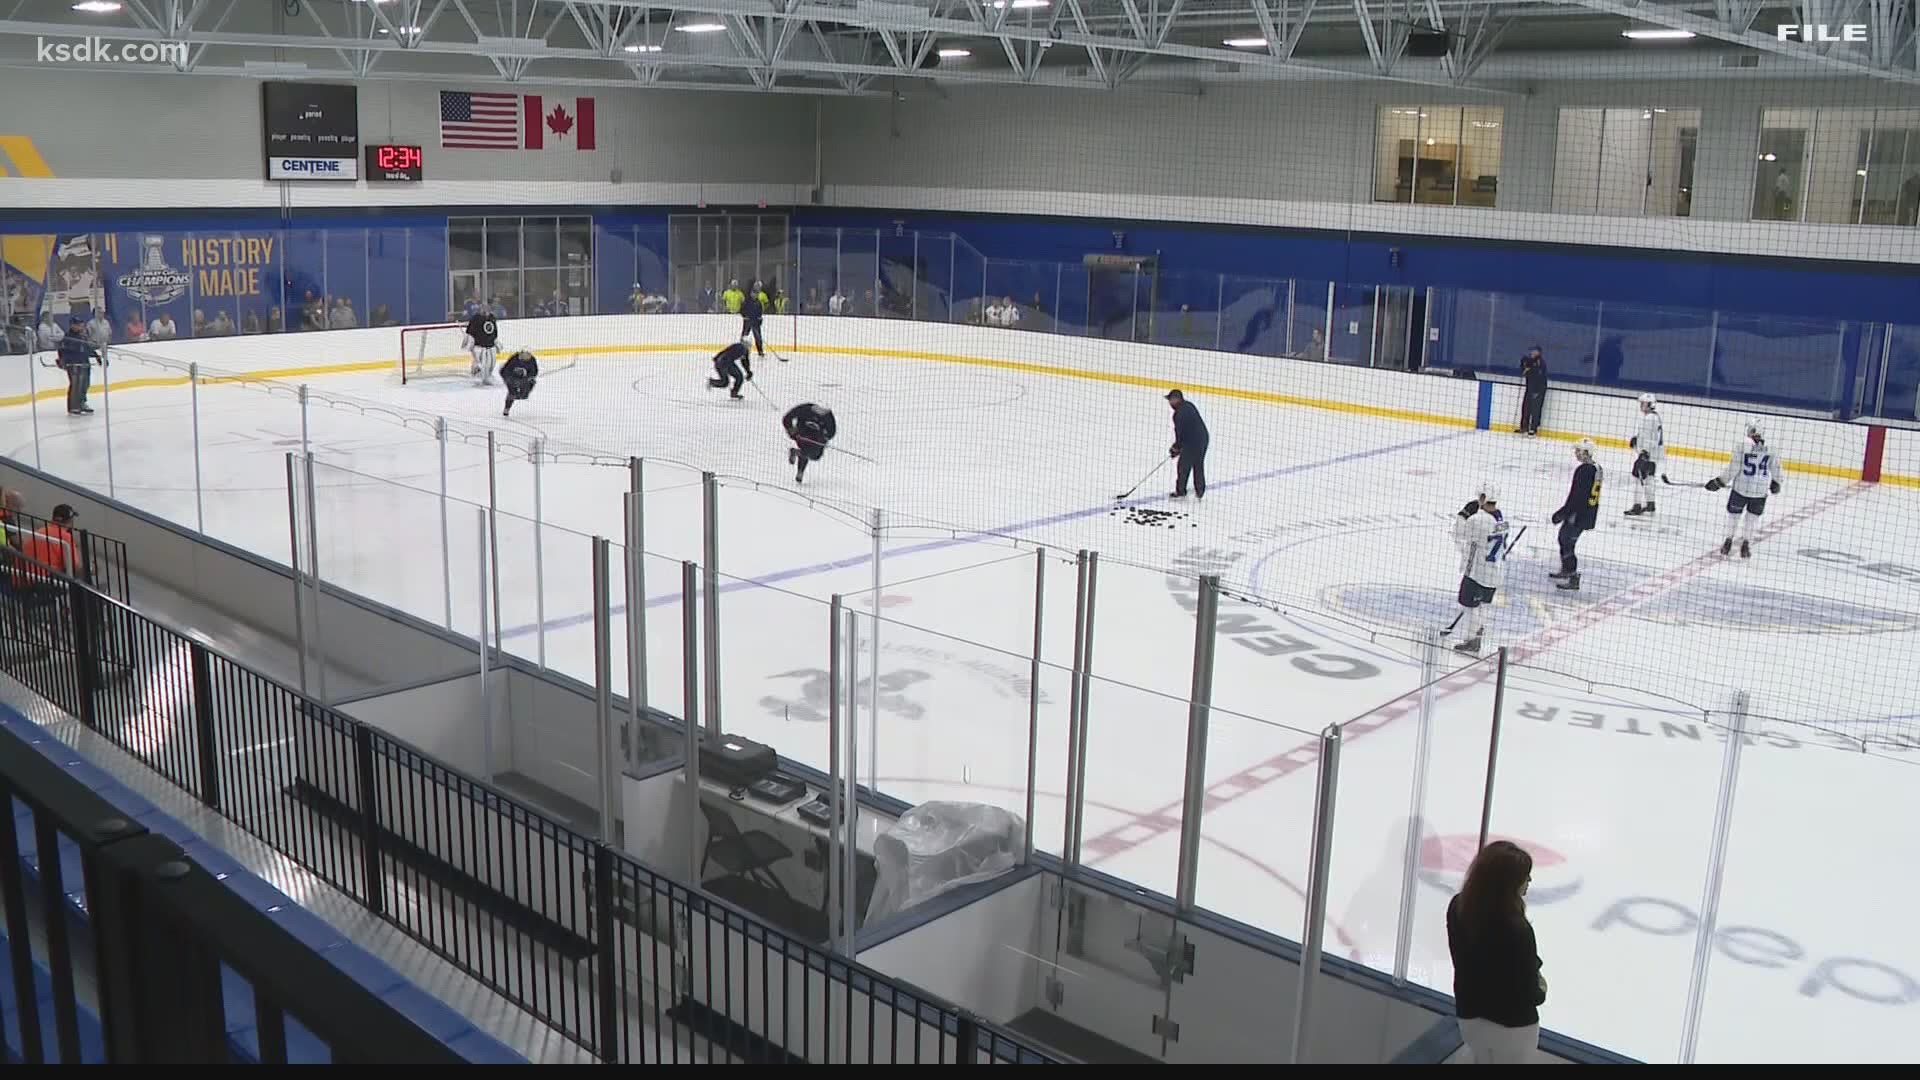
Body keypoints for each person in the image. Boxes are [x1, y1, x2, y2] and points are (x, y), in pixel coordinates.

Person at [1446, 840, 1546, 1064]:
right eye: (1524, 875)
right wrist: (1541, 987)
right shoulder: (1517, 929)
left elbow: (1461, 960)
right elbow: (1530, 991)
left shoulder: (1458, 907)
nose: (1529, 880)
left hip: (1469, 1017)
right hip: (1513, 1029)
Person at [1445, 485, 1511, 656]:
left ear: (1483, 498)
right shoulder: (1501, 519)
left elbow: (1458, 533)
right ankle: (1475, 636)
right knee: (1483, 606)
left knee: (1471, 606)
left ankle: (1472, 639)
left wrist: (1463, 516)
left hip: (1477, 572)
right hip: (1495, 572)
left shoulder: (1478, 520)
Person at [1705, 420, 1784, 559]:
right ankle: (1746, 544)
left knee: (1734, 516)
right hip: (1760, 490)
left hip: (1741, 488)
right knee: (1752, 519)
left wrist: (1719, 482)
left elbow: (1733, 468)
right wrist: (1777, 482)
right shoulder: (1771, 448)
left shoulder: (1742, 445)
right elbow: (1776, 468)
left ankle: (1728, 541)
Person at [1548, 438, 1602, 591]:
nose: (1576, 454)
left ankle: (1572, 576)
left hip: (1578, 515)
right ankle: (1566, 570)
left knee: (1567, 542)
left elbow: (1577, 496)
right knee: (1564, 539)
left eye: (1578, 451)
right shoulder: (1597, 468)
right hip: (1588, 513)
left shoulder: (1583, 470)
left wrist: (1563, 513)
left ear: (1586, 453)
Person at [1624, 393, 1664, 517]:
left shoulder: (1648, 419)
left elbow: (1649, 438)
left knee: (1637, 478)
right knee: (1649, 479)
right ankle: (1650, 504)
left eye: (1643, 403)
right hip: (1653, 454)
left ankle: (1637, 506)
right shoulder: (1655, 417)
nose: (1641, 406)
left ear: (1650, 405)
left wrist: (1644, 453)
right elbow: (1651, 436)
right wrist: (1637, 439)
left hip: (1647, 454)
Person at [1165, 389, 1210, 500]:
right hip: (1203, 439)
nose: (1170, 403)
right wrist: (1178, 447)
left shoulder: (1178, 414)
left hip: (1192, 442)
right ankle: (1200, 491)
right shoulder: (1189, 405)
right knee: (1198, 464)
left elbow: (1180, 434)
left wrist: (1176, 448)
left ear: (1177, 400)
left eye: (1171, 400)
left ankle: (1180, 491)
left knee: (1183, 466)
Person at [782, 402, 838, 484]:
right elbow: (787, 418)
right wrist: (791, 430)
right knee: (814, 455)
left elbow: (831, 432)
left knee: (805, 451)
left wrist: (824, 438)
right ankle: (798, 459)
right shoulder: (806, 409)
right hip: (803, 434)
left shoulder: (827, 416)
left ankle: (800, 471)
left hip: (815, 436)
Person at [57, 317, 100, 416]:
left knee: (85, 384)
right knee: (76, 385)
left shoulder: (83, 336)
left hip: (84, 363)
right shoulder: (68, 337)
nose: (81, 326)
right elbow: (62, 351)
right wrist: (62, 360)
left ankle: (82, 402)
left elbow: (88, 348)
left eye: (81, 324)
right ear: (73, 325)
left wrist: (97, 357)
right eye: (78, 324)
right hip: (74, 364)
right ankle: (73, 406)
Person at [463, 307, 500, 386]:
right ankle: (478, 376)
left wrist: (497, 343)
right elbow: (470, 333)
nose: (485, 311)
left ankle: (488, 376)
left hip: (490, 346)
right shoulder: (476, 319)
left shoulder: (492, 318)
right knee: (479, 363)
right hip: (479, 347)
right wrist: (468, 343)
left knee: (491, 363)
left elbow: (494, 332)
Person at [498, 349, 539, 418]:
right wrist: (510, 380)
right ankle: (507, 408)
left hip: (524, 379)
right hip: (512, 378)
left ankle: (521, 395)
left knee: (524, 395)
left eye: (528, 355)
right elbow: (504, 371)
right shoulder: (514, 359)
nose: (526, 357)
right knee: (512, 393)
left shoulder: (532, 360)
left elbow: (534, 371)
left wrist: (529, 378)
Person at [1517, 346, 1547, 437]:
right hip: (1529, 388)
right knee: (1526, 407)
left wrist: (1537, 391)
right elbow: (1524, 372)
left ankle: (1533, 428)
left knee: (1535, 409)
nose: (1532, 353)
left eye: (1535, 351)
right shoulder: (1529, 361)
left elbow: (1540, 376)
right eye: (1532, 351)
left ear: (1539, 353)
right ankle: (1524, 427)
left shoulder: (1540, 363)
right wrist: (1523, 364)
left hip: (1538, 389)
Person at [740, 279, 767, 360]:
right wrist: (745, 316)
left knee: (758, 337)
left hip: (755, 322)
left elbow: (760, 313)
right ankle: (741, 351)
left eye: (755, 294)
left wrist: (759, 320)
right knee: (744, 336)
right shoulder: (747, 301)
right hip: (747, 322)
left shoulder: (758, 303)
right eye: (753, 293)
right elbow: (742, 310)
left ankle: (760, 350)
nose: (754, 295)